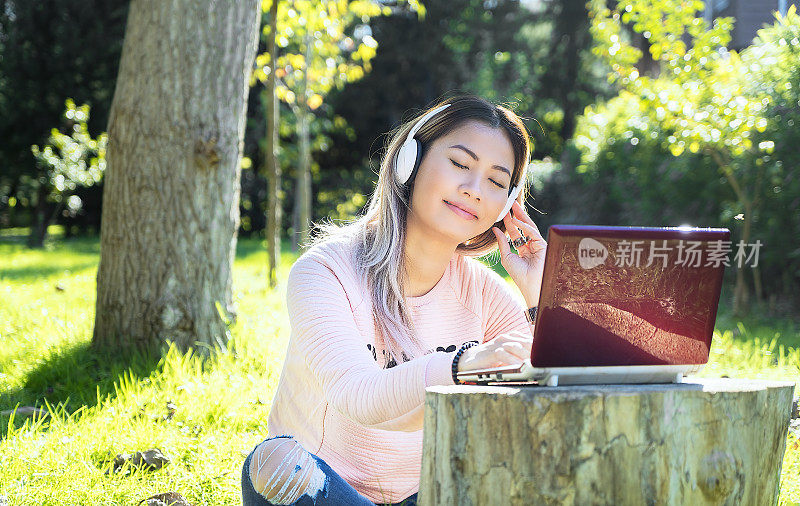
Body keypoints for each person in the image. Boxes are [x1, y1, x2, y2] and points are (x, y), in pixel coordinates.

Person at [241, 93, 547, 506]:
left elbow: (549, 389)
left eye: (495, 181)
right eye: (459, 163)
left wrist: (540, 294)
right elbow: (357, 396)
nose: (474, 190)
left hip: (425, 492)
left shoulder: (485, 294)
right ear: (410, 160)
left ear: (507, 204)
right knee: (272, 461)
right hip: (325, 489)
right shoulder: (325, 271)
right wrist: (463, 365)